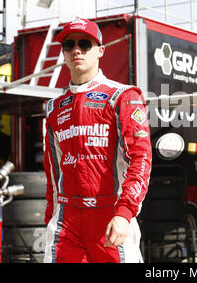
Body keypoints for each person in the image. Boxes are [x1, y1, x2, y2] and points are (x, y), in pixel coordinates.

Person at [43, 18, 152, 263]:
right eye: (69, 45)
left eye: (85, 44)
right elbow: (52, 170)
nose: (76, 50)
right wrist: (50, 214)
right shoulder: (52, 108)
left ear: (100, 50)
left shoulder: (123, 96)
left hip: (110, 215)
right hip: (67, 220)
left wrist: (125, 213)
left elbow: (141, 158)